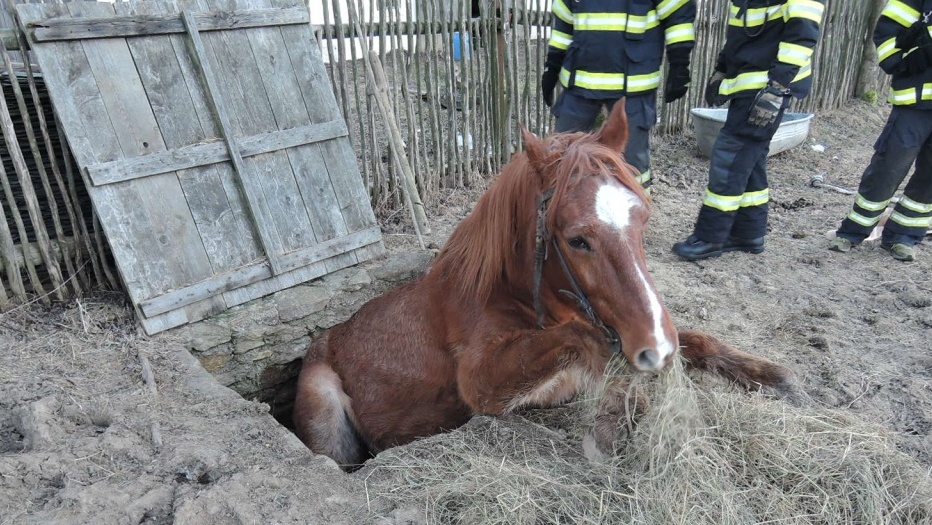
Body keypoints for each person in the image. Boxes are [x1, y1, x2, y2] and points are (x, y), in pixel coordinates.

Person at [672, 0, 825, 261]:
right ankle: (748, 232)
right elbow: (738, 35)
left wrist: (777, 87)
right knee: (749, 160)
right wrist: (721, 70)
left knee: (730, 156)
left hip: (769, 89)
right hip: (751, 87)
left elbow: (803, 34)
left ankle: (710, 237)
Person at [540, 0, 697, 195]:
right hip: (580, 83)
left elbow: (678, 12)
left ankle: (634, 215)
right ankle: (552, 216)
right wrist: (552, 65)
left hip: (633, 85)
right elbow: (564, 22)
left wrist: (679, 63)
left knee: (632, 165)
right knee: (560, 156)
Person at [829, 1, 932, 262]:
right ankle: (852, 232)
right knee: (889, 166)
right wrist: (904, 61)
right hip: (914, 101)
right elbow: (886, 33)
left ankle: (903, 237)